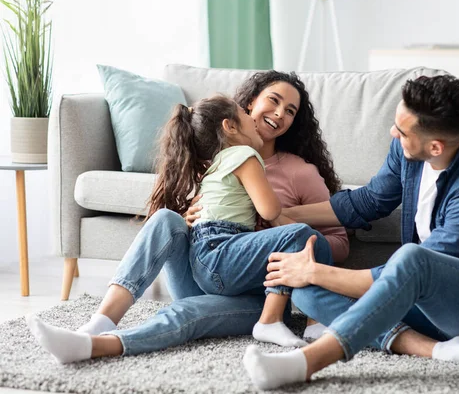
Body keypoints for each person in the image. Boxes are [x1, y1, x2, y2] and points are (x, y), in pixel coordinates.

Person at [242, 75, 459, 390]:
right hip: (427, 308)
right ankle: (441, 350)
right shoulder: (411, 146)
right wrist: (279, 215)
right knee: (305, 293)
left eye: (401, 131)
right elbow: (368, 200)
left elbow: (411, 270)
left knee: (411, 259)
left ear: (435, 146)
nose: (392, 132)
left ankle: (308, 362)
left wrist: (315, 270)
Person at [25, 71, 348, 364]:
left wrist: (279, 227)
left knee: (185, 313)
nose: (280, 114)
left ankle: (93, 347)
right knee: (167, 219)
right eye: (274, 101)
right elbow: (202, 224)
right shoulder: (215, 162)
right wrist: (188, 215)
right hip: (207, 267)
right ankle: (100, 321)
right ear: (249, 105)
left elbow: (338, 243)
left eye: (290, 111)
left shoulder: (300, 172)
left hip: (254, 297)